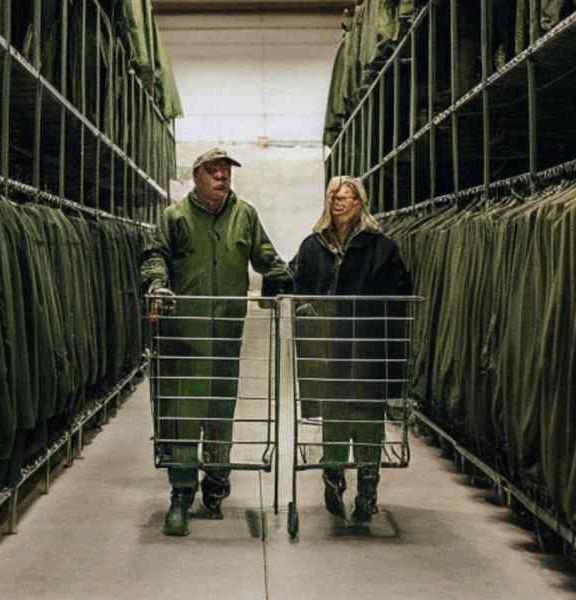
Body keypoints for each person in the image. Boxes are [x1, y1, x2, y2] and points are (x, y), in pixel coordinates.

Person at [140, 148, 292, 537]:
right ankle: (180, 493)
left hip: (226, 334)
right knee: (185, 416)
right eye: (214, 170)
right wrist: (158, 285)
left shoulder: (246, 215)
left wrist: (283, 279)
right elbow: (155, 255)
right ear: (196, 176)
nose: (222, 176)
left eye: (226, 170)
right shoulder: (174, 217)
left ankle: (217, 484)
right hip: (184, 337)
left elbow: (265, 256)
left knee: (221, 413)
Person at [288, 175, 412, 525]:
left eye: (346, 197)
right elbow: (297, 282)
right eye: (333, 197)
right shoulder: (313, 246)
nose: (338, 203)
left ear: (361, 203)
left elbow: (399, 296)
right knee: (336, 417)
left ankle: (368, 490)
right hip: (329, 348)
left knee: (368, 419)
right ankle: (333, 478)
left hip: (367, 348)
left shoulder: (381, 248)